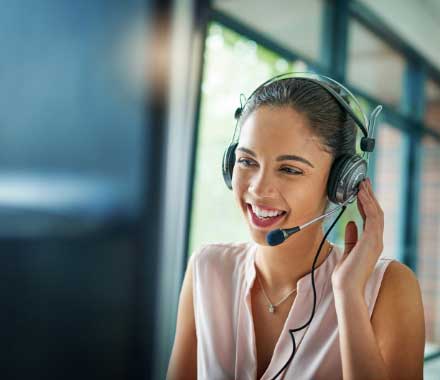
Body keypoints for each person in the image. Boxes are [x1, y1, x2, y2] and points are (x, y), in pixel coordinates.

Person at [168, 74, 425, 380]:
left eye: (289, 169)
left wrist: (348, 294)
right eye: (247, 161)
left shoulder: (390, 287)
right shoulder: (207, 269)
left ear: (341, 183)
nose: (259, 189)